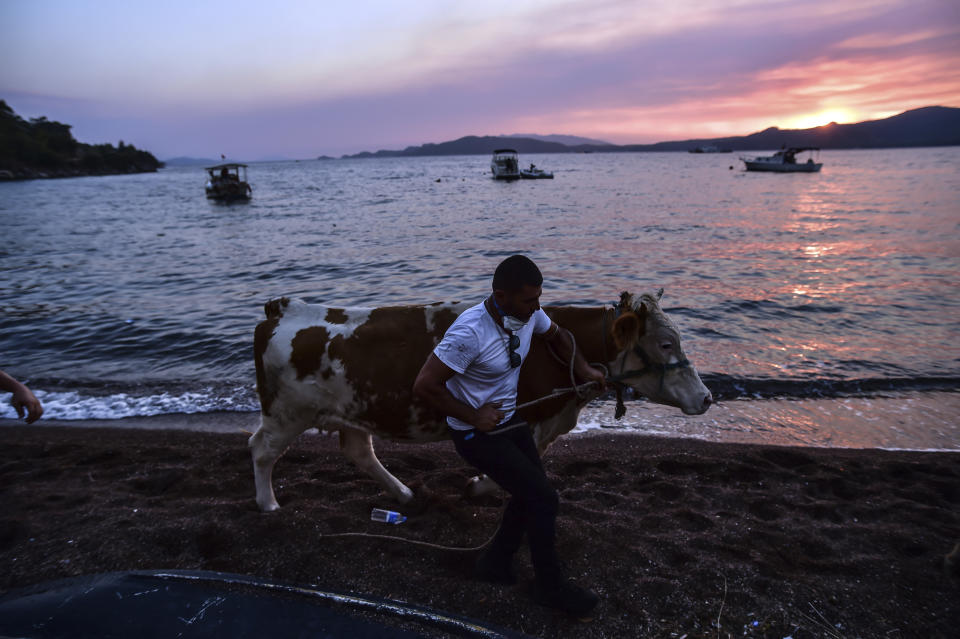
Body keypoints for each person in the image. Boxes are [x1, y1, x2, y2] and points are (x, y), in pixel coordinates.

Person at [413, 255, 605, 618]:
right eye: (529, 300)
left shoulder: (528, 314)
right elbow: (425, 385)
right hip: (475, 433)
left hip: (510, 419)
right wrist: (474, 415)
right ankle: (549, 586)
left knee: (530, 492)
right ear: (500, 295)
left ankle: (495, 564)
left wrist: (584, 369)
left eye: (539, 298)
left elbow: (559, 335)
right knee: (544, 498)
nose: (537, 307)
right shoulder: (470, 332)